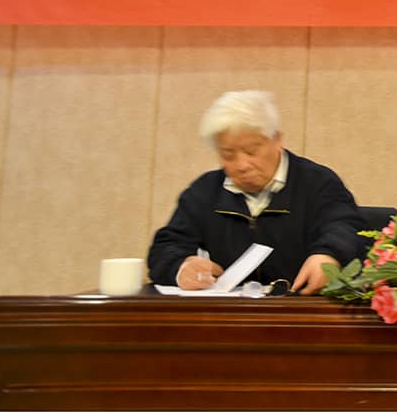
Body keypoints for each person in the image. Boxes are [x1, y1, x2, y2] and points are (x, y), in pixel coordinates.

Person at [148, 90, 365, 295]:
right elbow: (166, 247)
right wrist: (180, 266)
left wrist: (329, 255)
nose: (241, 165)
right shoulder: (205, 192)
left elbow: (346, 228)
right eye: (228, 155)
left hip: (302, 309)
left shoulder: (317, 183)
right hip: (230, 314)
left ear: (277, 140)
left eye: (251, 151)